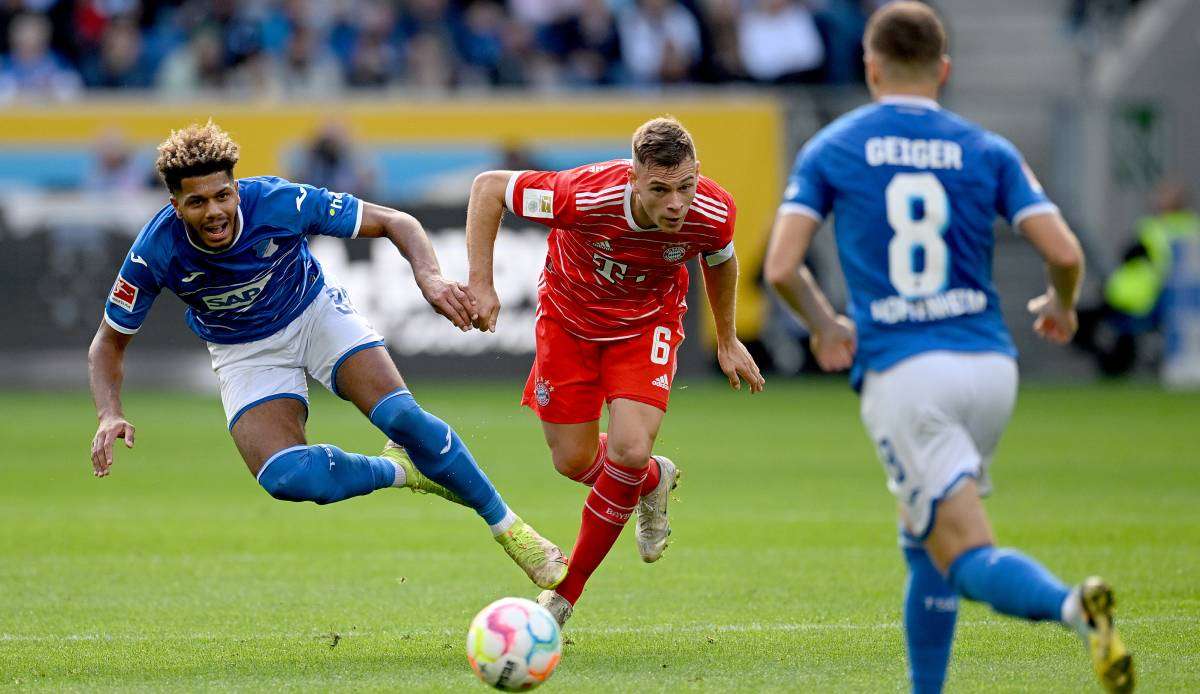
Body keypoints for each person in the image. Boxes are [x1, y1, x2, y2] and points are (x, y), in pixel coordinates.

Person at [762, 4, 1133, 693]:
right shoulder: (986, 147)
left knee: (963, 552)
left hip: (907, 375)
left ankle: (1072, 607)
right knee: (923, 539)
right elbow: (1064, 250)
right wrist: (1057, 303)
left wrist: (824, 325)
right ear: (945, 71)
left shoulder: (836, 145)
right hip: (991, 367)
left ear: (870, 67)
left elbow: (782, 267)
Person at [87, 121, 567, 591]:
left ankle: (512, 531)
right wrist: (110, 413)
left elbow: (397, 221)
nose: (215, 211)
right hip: (243, 351)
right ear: (174, 205)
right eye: (197, 202)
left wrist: (431, 279)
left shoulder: (279, 201)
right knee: (284, 477)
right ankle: (401, 470)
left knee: (402, 417)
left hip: (314, 313)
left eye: (223, 195)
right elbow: (108, 342)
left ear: (236, 189)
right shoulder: (155, 251)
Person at [465, 116, 764, 626]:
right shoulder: (582, 196)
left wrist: (729, 336)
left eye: (686, 186)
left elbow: (720, 258)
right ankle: (652, 481)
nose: (676, 203)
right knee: (573, 460)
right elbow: (488, 188)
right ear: (633, 178)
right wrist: (482, 284)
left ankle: (563, 596)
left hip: (646, 327)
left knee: (627, 449)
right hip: (567, 322)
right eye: (661, 189)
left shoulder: (712, 211)